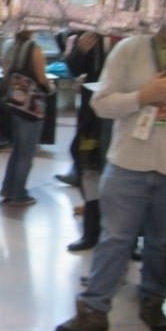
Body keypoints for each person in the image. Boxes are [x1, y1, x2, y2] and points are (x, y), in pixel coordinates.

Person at [55, 27, 166, 331]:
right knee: (115, 239)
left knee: (161, 242)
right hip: (127, 164)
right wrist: (143, 97)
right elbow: (102, 103)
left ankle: (153, 300)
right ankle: (94, 308)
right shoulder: (129, 49)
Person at [62, 32, 115, 250]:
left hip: (125, 117)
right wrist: (79, 50)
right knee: (89, 171)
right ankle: (90, 232)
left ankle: (126, 241)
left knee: (120, 178)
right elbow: (72, 68)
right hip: (92, 118)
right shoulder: (92, 38)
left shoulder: (134, 39)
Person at [0, 31, 52, 205]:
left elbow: (5, 70)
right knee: (26, 153)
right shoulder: (34, 48)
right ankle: (19, 193)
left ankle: (8, 189)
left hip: (13, 101)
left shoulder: (9, 45)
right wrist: (50, 87)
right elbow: (42, 78)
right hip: (30, 106)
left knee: (17, 150)